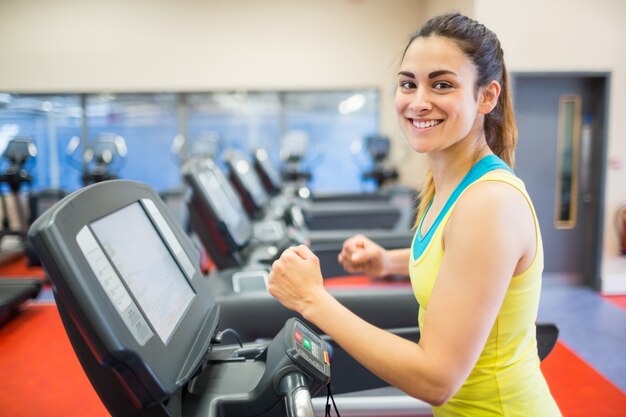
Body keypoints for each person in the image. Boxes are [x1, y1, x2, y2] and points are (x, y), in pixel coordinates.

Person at [268, 12, 562, 417]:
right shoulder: (451, 184)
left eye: (441, 84)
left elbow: (436, 379)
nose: (418, 101)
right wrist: (387, 261)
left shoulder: (488, 202)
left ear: (486, 97)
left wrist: (312, 300)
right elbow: (463, 260)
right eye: (408, 83)